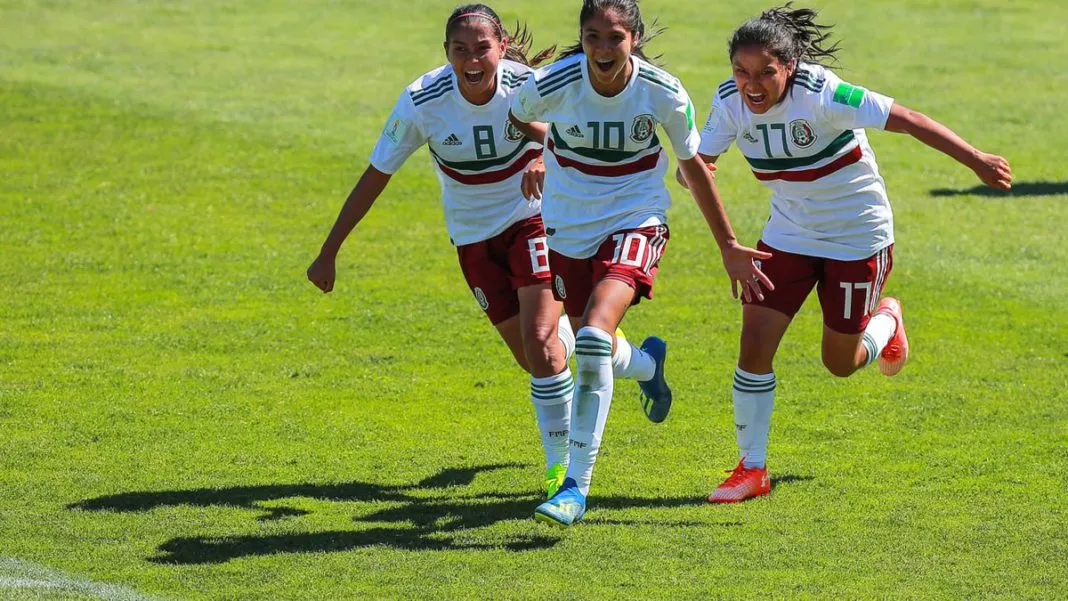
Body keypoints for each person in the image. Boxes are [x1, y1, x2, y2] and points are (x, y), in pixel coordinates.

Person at [306, 4, 661, 501]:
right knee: (539, 357)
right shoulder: (422, 100)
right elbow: (376, 175)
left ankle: (562, 476)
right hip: (472, 238)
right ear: (447, 53)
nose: (472, 60)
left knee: (542, 343)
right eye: (460, 50)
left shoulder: (528, 87)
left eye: (482, 48)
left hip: (534, 221)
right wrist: (330, 250)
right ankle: (644, 364)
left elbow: (572, 135)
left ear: (500, 49)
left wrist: (541, 157)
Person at [684, 4, 1013, 504]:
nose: (752, 84)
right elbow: (699, 164)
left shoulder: (823, 94)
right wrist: (706, 194)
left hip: (858, 238)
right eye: (741, 71)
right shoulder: (729, 102)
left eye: (765, 73)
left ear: (789, 68)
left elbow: (909, 120)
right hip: (789, 236)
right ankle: (751, 469)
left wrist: (977, 160)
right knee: (753, 343)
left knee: (840, 363)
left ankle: (886, 319)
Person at [510, 0, 770, 527]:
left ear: (634, 39)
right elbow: (520, 118)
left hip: (636, 216)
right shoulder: (550, 84)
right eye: (592, 37)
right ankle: (650, 366)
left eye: (614, 38)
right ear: (581, 38)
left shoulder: (662, 92)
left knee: (590, 339)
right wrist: (543, 153)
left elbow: (694, 166)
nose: (602, 49)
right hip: (568, 222)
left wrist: (728, 245)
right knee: (594, 345)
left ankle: (574, 488)